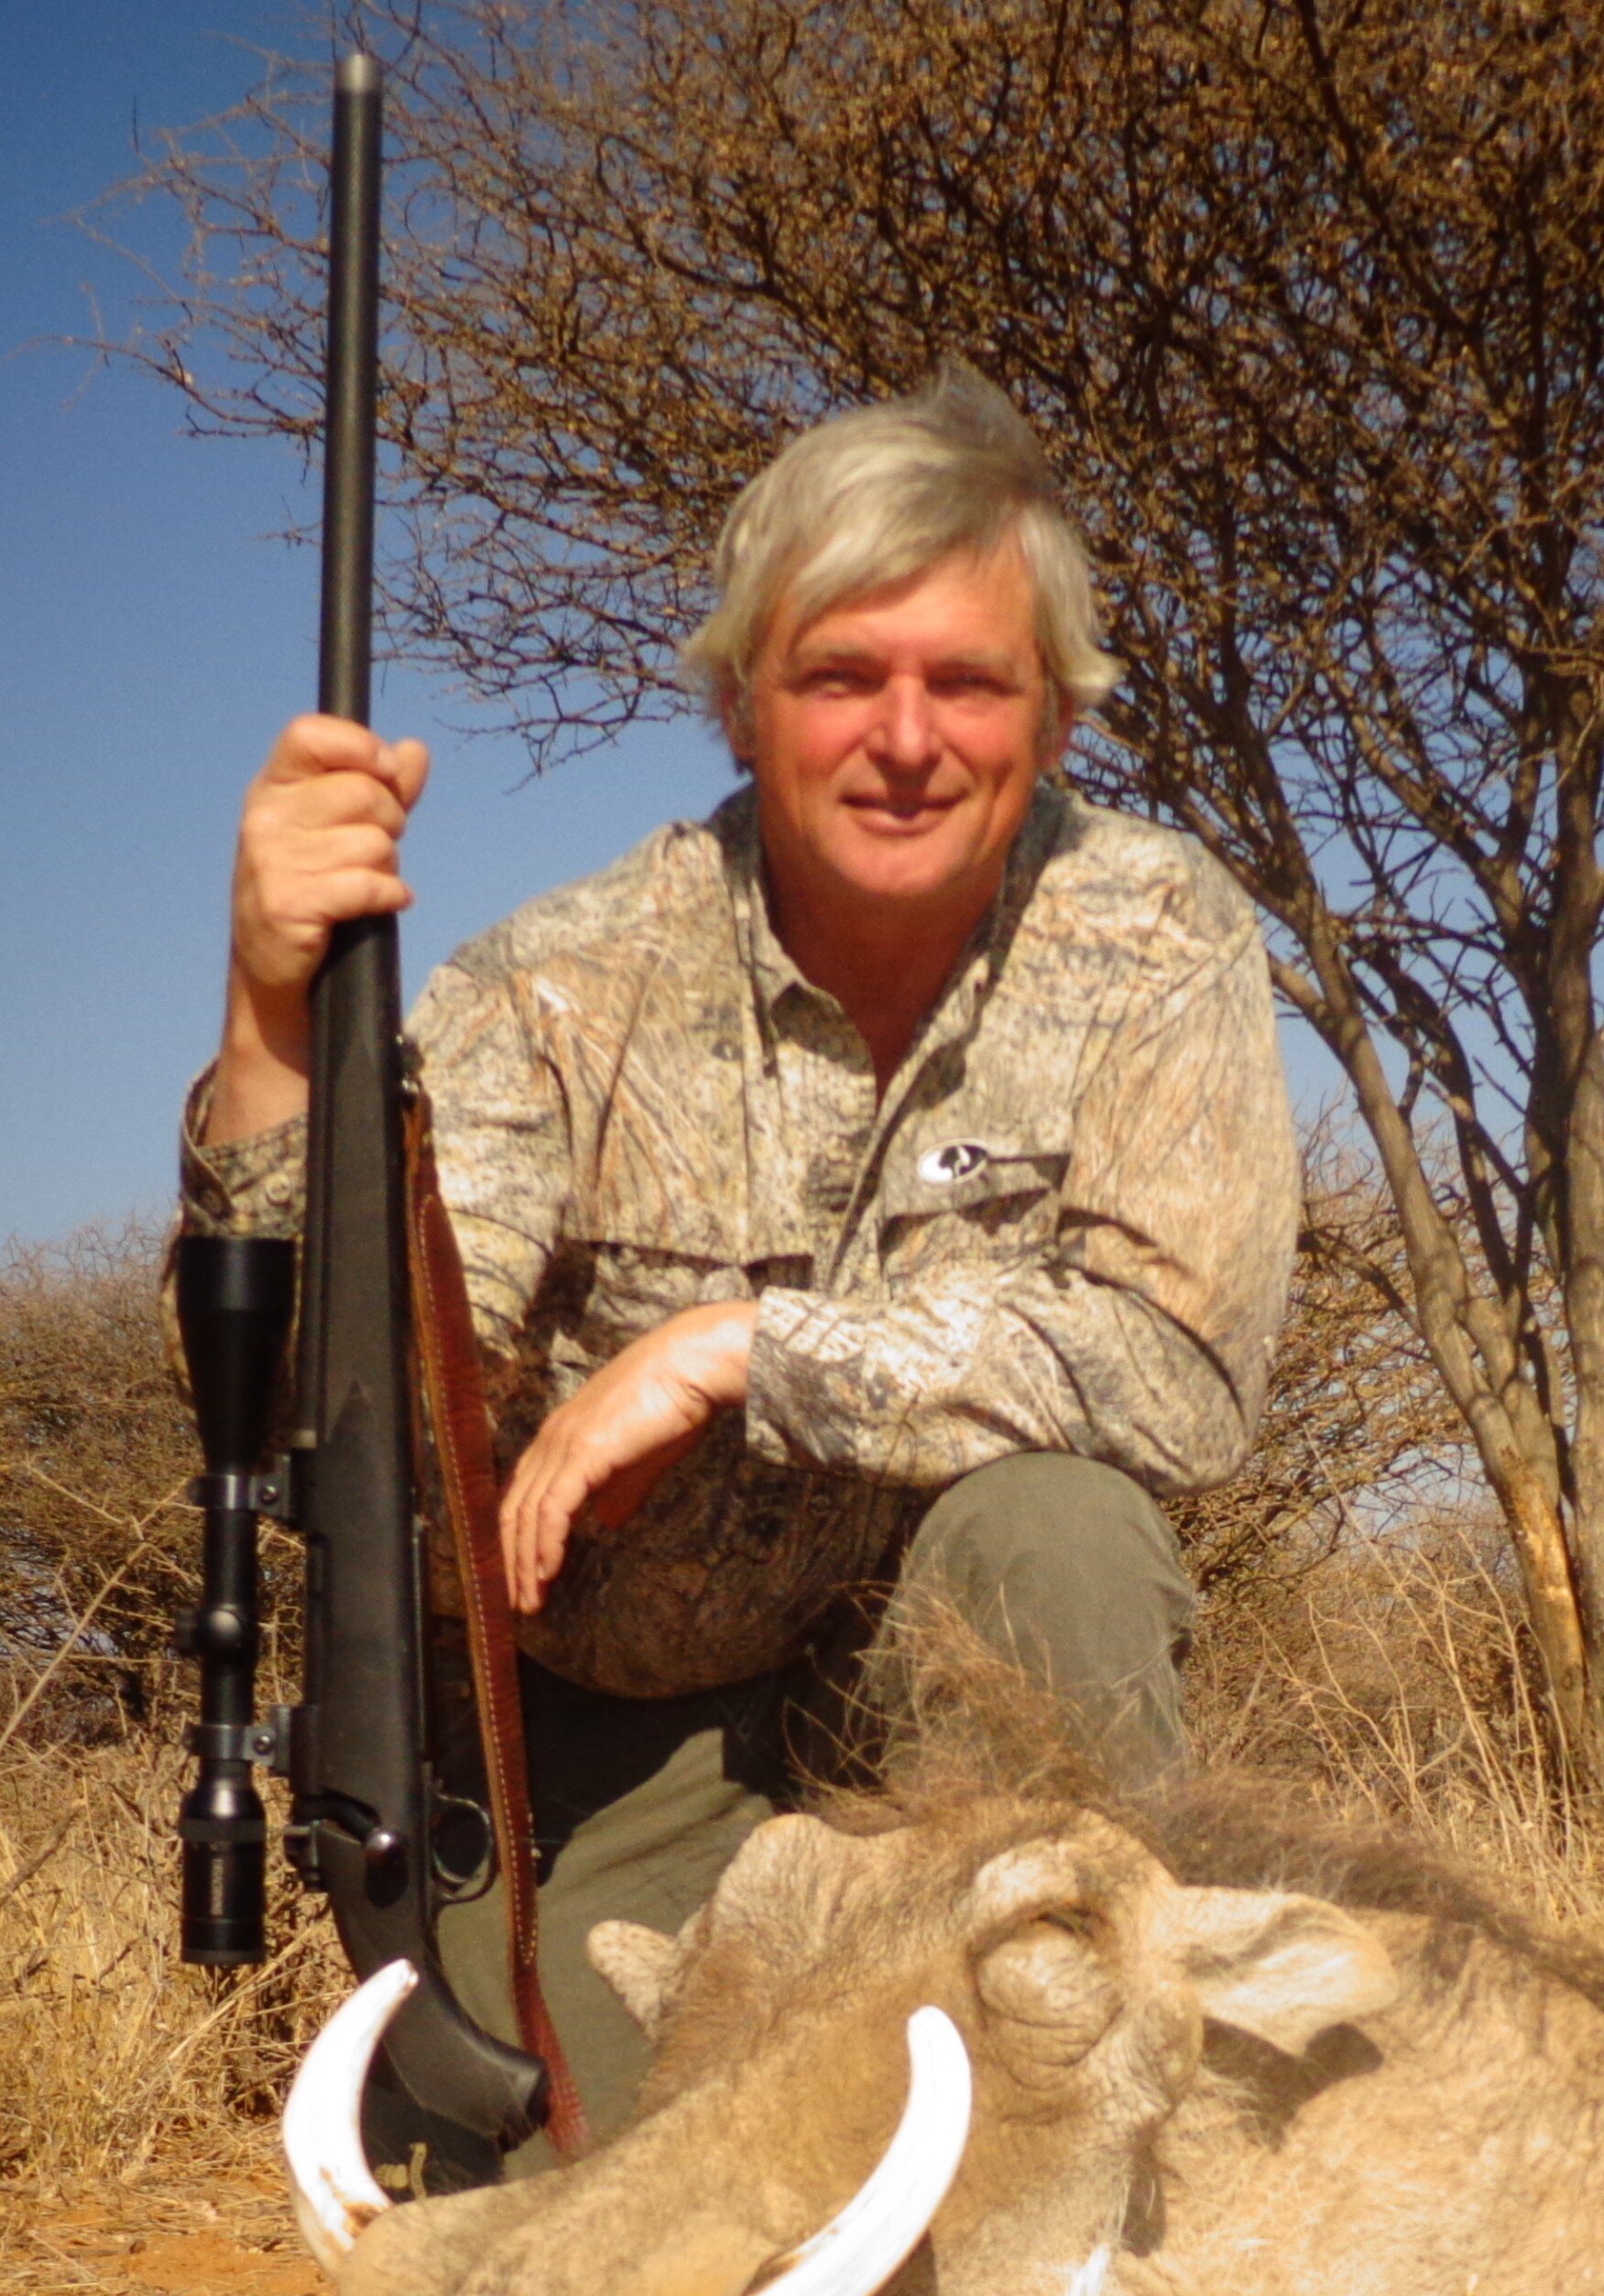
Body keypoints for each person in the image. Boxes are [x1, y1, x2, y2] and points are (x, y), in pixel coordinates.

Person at [180, 366, 1296, 2153]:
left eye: (970, 682)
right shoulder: (564, 981)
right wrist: (267, 1025)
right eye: (842, 676)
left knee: (1063, 1532)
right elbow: (354, 1411)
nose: (906, 739)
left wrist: (743, 1351)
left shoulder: (1156, 931)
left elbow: (1180, 1373)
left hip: (934, 1720)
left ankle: (1103, 2160)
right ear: (738, 706)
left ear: (1059, 723)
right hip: (613, 1735)